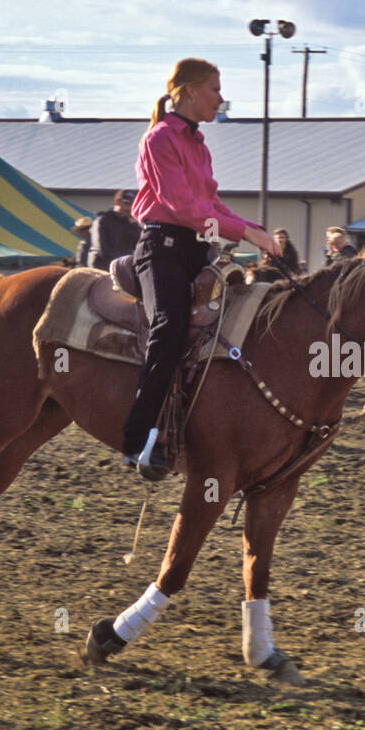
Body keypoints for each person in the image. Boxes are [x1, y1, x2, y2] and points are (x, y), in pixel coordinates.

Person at [120, 58, 279, 480]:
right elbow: (184, 208)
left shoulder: (200, 145)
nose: (220, 97)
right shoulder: (158, 139)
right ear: (189, 91)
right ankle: (138, 440)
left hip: (196, 250)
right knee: (170, 327)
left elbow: (210, 204)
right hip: (163, 248)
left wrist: (253, 229)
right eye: (214, 89)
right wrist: (247, 236)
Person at [88, 189, 141, 271]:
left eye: (133, 204)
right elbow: (101, 249)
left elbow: (138, 247)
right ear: (117, 202)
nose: (129, 208)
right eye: (126, 203)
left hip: (122, 267)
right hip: (101, 267)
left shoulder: (131, 224)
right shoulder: (102, 221)